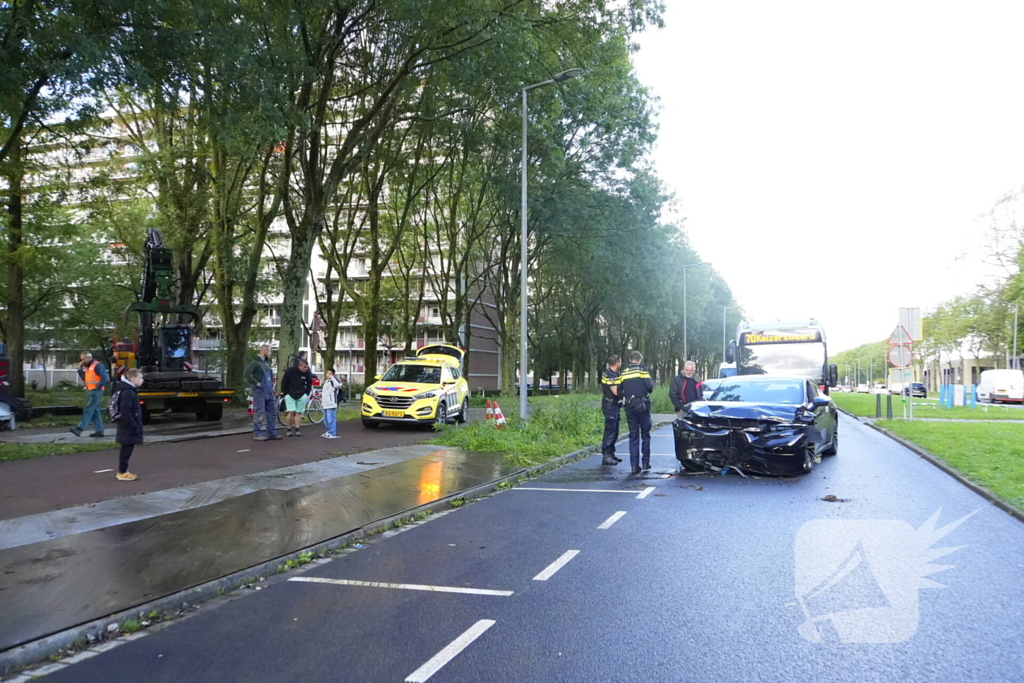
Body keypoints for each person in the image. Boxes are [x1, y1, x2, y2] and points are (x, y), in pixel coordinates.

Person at [619, 350, 654, 474]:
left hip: (629, 405)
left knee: (633, 435)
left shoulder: (623, 372)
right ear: (639, 360)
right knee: (645, 434)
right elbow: (650, 387)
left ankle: (634, 466)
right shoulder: (642, 370)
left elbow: (619, 389)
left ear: (630, 360)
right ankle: (645, 463)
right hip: (642, 404)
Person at [243, 345, 282, 442]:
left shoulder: (266, 363)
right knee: (259, 412)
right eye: (269, 351)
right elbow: (246, 373)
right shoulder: (255, 363)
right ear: (264, 351)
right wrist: (256, 383)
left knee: (273, 411)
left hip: (269, 390)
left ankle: (272, 433)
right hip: (259, 391)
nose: (270, 353)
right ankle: (258, 434)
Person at [113, 368, 145, 481]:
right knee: (126, 448)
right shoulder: (128, 392)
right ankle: (122, 472)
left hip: (125, 424)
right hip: (127, 425)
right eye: (140, 378)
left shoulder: (125, 390)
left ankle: (123, 471)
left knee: (127, 447)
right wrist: (134, 425)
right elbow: (125, 411)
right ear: (133, 379)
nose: (142, 380)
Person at [70, 352, 109, 437]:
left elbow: (104, 378)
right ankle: (99, 431)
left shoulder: (97, 365)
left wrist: (98, 388)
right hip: (91, 390)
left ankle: (79, 428)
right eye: (81, 359)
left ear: (88, 358)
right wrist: (80, 370)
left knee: (89, 409)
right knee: (94, 411)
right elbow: (86, 379)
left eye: (83, 359)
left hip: (95, 390)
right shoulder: (89, 367)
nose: (82, 361)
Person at [599, 354, 624, 466]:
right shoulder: (610, 375)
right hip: (610, 405)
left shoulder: (612, 374)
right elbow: (616, 392)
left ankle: (611, 453)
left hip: (613, 405)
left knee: (615, 430)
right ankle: (606, 455)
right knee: (610, 430)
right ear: (618, 362)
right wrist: (625, 393)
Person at [282, 357, 312, 437]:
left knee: (299, 412)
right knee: (291, 411)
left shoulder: (307, 373)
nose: (306, 368)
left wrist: (306, 393)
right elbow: (284, 382)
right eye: (304, 367)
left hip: (302, 395)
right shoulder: (290, 371)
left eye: (307, 367)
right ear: (300, 366)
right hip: (290, 394)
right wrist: (286, 393)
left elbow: (309, 383)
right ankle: (289, 428)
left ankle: (297, 429)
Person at [321, 368, 342, 439]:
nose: (328, 375)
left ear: (333, 374)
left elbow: (338, 385)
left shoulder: (334, 381)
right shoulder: (326, 382)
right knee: (325, 419)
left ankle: (332, 432)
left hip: (331, 403)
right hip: (325, 403)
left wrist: (332, 378)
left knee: (331, 419)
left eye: (330, 373)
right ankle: (328, 431)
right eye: (327, 373)